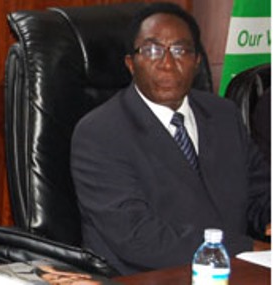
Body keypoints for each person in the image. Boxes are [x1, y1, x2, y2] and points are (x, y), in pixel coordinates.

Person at [70, 2, 271, 275]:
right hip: (147, 278)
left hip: (233, 275)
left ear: (197, 61)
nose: (166, 63)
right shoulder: (99, 133)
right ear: (131, 64)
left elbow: (260, 191)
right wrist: (245, 248)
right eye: (152, 50)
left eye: (180, 50)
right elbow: (138, 237)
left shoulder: (223, 115)